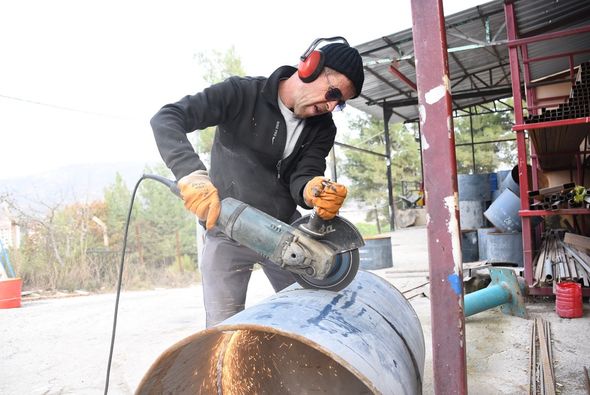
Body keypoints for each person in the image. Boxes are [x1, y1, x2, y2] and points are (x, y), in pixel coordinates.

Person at [150, 37, 365, 327]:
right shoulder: (241, 94)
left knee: (309, 320)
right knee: (222, 327)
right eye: (333, 92)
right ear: (310, 66)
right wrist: (190, 173)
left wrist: (313, 188)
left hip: (284, 234)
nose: (331, 106)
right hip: (226, 230)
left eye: (339, 103)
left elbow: (304, 174)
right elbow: (167, 118)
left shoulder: (323, 127)